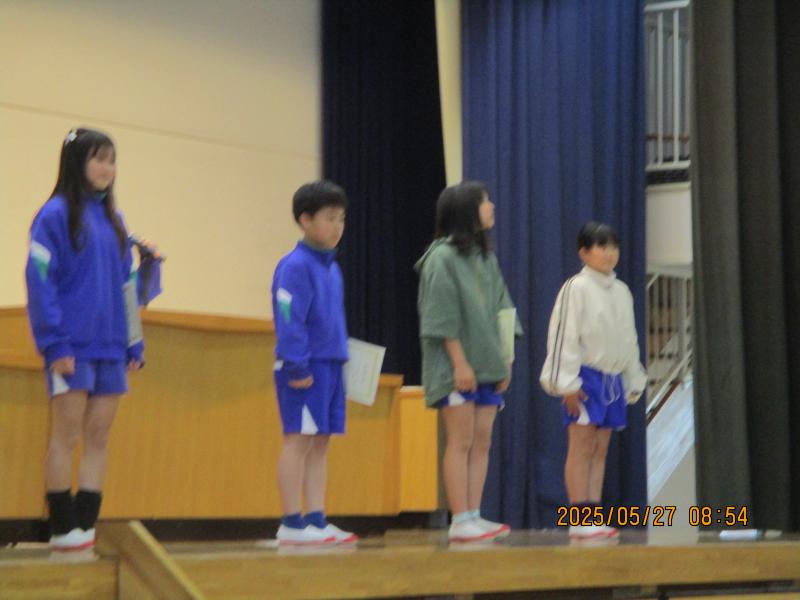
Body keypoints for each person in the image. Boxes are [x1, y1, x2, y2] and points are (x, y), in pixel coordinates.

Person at [26, 128, 145, 551]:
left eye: (112, 160)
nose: (106, 168)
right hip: (71, 347)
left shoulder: (116, 222)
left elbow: (127, 284)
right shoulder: (53, 215)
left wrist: (134, 341)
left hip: (111, 347)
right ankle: (63, 528)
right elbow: (39, 281)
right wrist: (55, 343)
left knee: (98, 436)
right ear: (77, 162)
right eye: (98, 158)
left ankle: (85, 527)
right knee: (67, 435)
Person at [415, 181, 521, 543]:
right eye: (485, 202)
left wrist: (505, 359)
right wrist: (460, 363)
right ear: (466, 211)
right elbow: (441, 314)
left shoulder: (486, 259)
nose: (492, 207)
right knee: (460, 440)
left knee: (482, 440)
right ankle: (460, 518)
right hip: (455, 367)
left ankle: (474, 513)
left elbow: (504, 310)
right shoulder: (441, 258)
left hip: (488, 364)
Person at [540, 221, 647, 539]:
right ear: (584, 253)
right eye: (601, 246)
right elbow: (563, 336)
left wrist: (632, 378)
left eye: (613, 246)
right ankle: (579, 517)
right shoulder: (576, 287)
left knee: (600, 449)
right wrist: (566, 384)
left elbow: (629, 339)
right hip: (585, 377)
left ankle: (593, 515)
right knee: (581, 447)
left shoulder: (622, 291)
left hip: (613, 379)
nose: (610, 253)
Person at [271, 180, 357, 545]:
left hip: (331, 365)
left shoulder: (332, 268)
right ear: (305, 220)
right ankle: (291, 522)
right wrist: (297, 365)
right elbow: (288, 317)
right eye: (329, 218)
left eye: (341, 218)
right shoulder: (294, 266)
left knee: (321, 443)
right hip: (304, 368)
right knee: (298, 440)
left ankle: (317, 519)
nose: (337, 226)